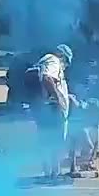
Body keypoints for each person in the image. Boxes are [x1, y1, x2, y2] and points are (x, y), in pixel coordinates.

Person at [35, 44, 74, 182]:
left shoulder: (46, 61)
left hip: (46, 108)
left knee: (48, 140)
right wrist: (58, 99)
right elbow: (47, 78)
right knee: (55, 140)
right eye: (67, 62)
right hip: (53, 108)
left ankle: (50, 173)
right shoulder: (54, 61)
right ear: (63, 56)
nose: (66, 66)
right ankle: (54, 174)